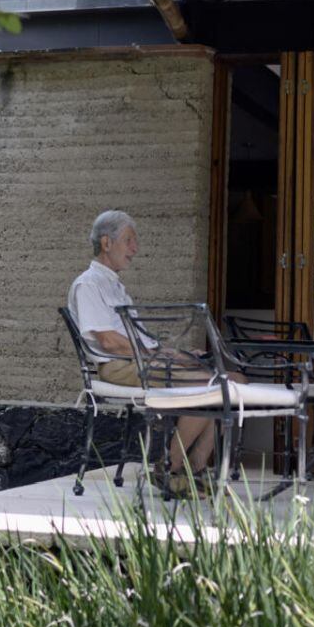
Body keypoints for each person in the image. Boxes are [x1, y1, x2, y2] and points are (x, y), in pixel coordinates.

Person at [68, 210, 217, 496]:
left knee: (223, 379)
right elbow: (108, 341)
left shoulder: (115, 286)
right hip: (118, 366)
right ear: (106, 242)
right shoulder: (89, 284)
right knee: (207, 385)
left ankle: (194, 470)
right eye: (129, 240)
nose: (135, 249)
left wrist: (180, 354)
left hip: (137, 362)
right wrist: (155, 356)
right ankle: (168, 468)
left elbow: (139, 340)